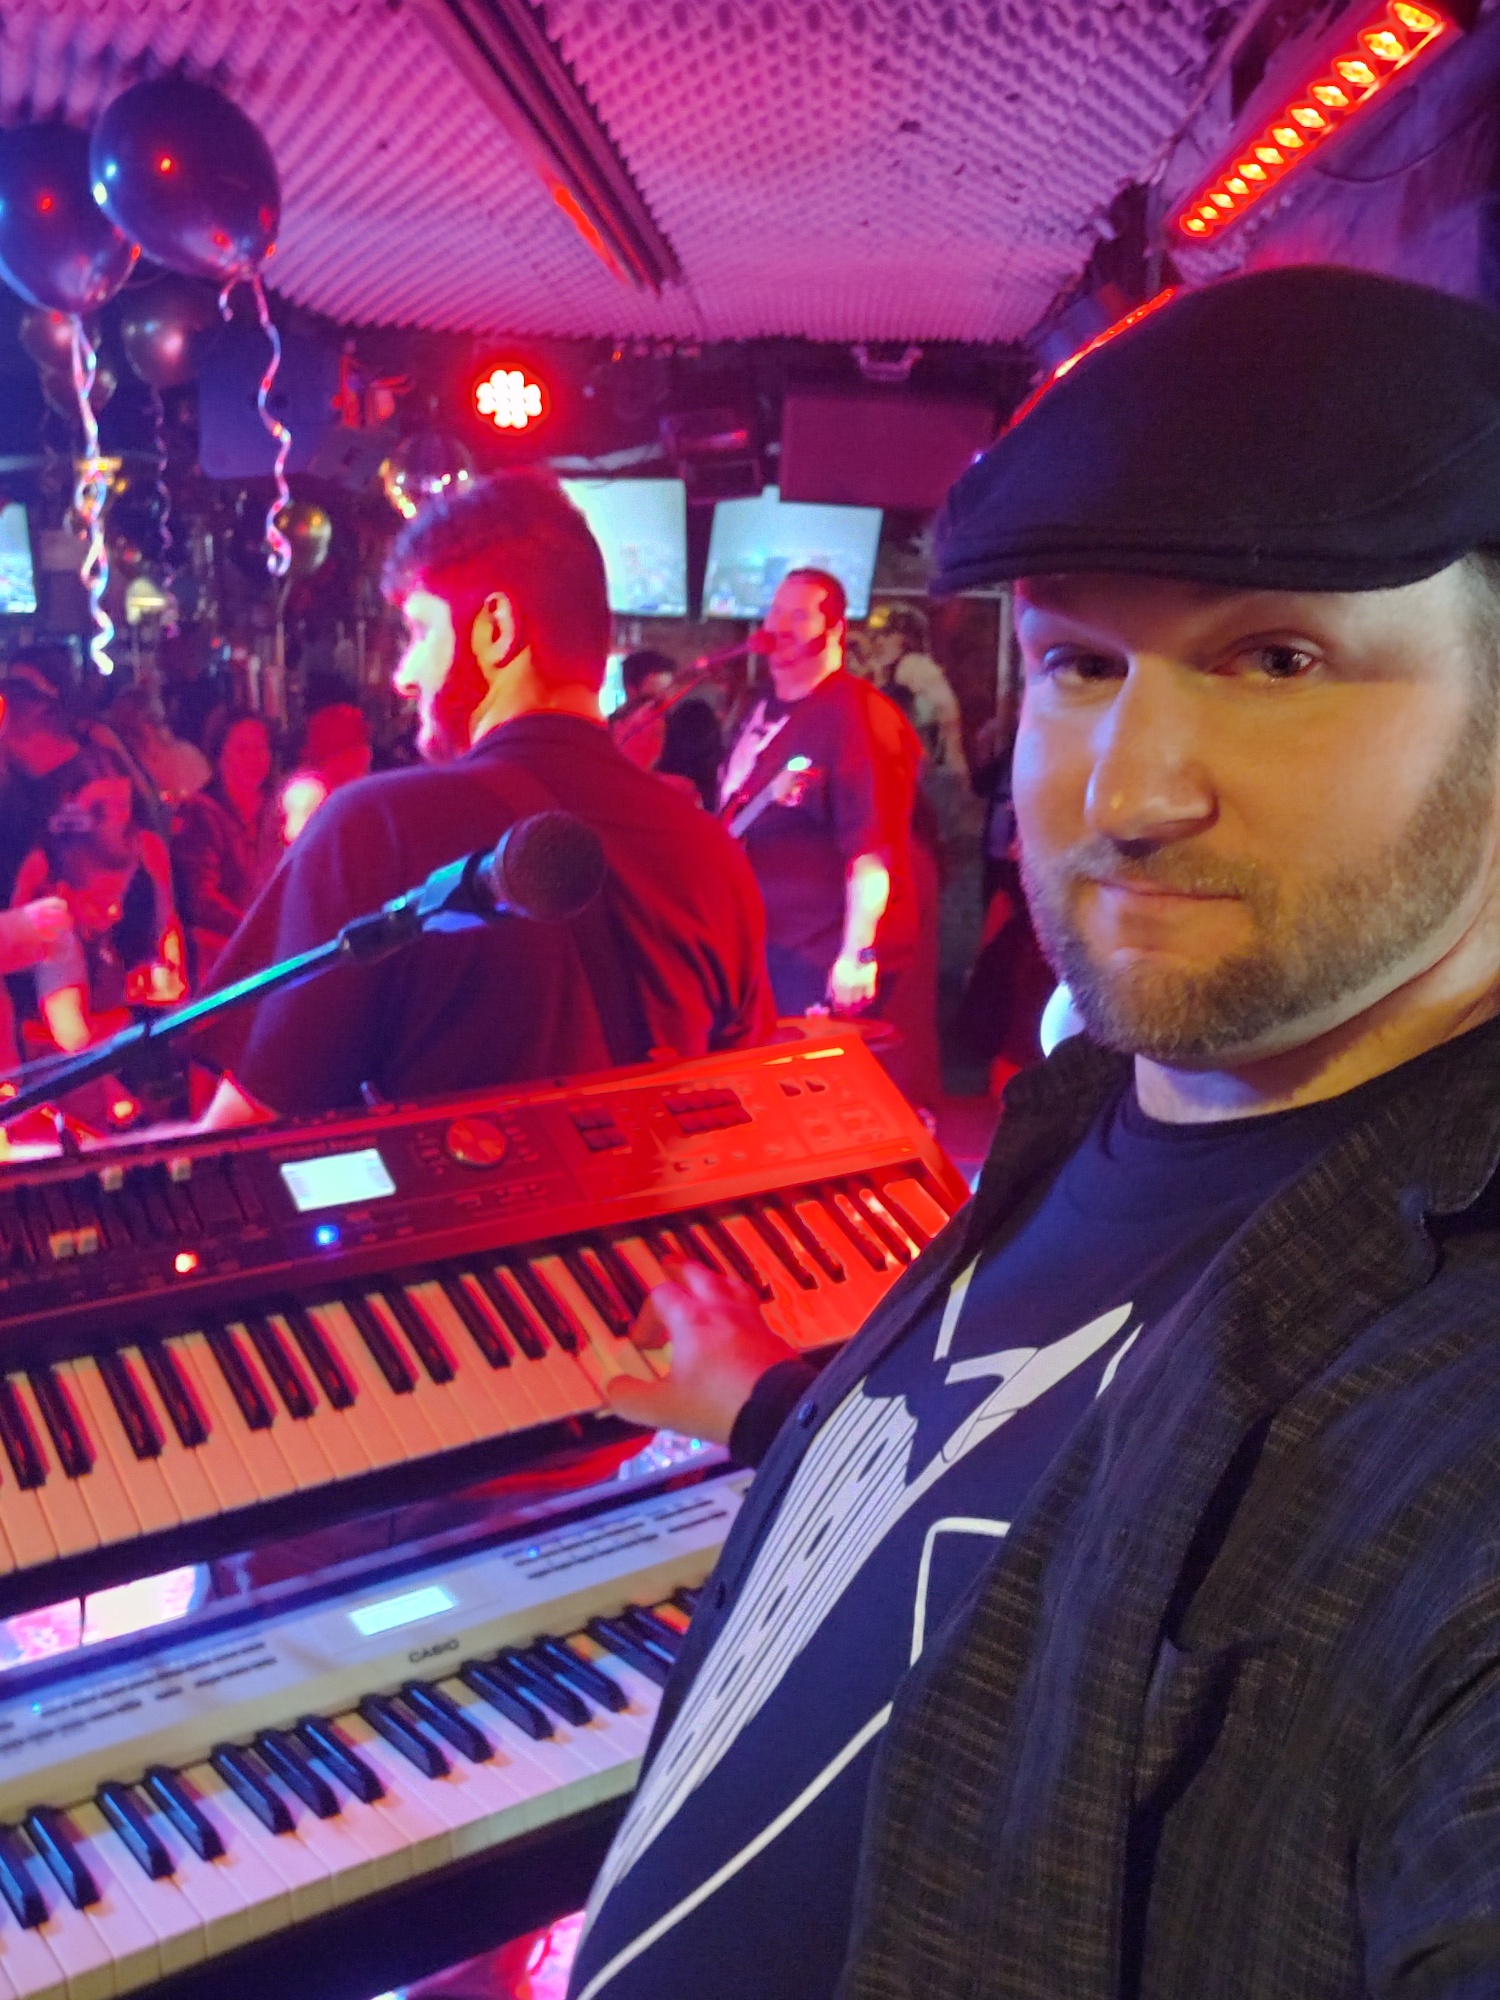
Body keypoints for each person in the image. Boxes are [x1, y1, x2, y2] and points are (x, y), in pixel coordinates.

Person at [567, 266, 1500, 2000]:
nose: (1131, 794)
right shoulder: (1084, 1117)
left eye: (1277, 659)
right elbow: (1049, 1480)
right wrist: (782, 1409)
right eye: (1081, 660)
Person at [197, 471, 772, 1123]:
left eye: (419, 632)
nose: (404, 675)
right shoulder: (713, 855)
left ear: (495, 628)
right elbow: (745, 1117)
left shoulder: (378, 826)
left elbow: (243, 1144)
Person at [718, 568, 919, 1017]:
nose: (780, 626)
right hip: (762, 943)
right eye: (775, 612)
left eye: (799, 615)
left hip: (816, 953)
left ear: (835, 630)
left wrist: (858, 953)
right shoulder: (759, 708)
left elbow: (872, 849)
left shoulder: (859, 715)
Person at [12, 740, 186, 1056]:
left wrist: (171, 974)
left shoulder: (148, 849)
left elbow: (167, 923)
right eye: (103, 806)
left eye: (123, 805)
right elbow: (17, 960)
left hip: (135, 1017)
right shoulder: (43, 864)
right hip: (64, 1037)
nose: (116, 817)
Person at [171, 711, 283, 980]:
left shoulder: (279, 807)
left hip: (275, 946)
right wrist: (255, 929)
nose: (253, 758)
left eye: (260, 748)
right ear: (220, 755)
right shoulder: (200, 813)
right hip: (222, 956)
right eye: (242, 749)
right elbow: (200, 900)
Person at [854, 600, 969, 782]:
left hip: (936, 779)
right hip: (926, 775)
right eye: (875, 634)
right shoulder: (895, 670)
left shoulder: (914, 666)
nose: (879, 641)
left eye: (888, 634)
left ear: (908, 638)